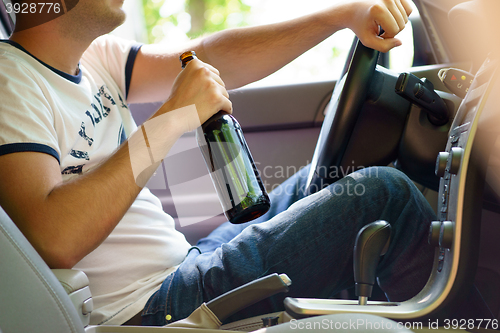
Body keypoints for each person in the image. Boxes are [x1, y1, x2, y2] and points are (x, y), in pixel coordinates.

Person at [0, 0, 436, 327]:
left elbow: (207, 54)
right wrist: (172, 117)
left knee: (333, 178)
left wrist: (338, 17)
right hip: (151, 308)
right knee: (384, 195)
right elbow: (54, 236)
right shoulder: (8, 81)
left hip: (185, 265)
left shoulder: (95, 56)